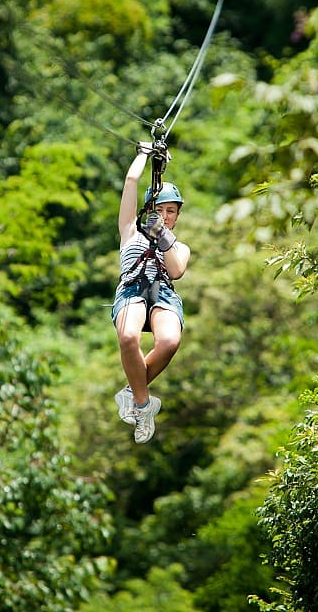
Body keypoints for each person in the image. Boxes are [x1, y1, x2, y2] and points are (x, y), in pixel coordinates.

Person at [110, 142, 191, 443]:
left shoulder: (180, 246)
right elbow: (131, 181)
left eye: (171, 211)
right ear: (148, 211)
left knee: (169, 341)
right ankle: (143, 405)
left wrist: (163, 237)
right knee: (128, 337)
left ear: (177, 217)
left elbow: (176, 271)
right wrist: (143, 155)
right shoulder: (130, 231)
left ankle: (131, 392)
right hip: (132, 289)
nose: (165, 215)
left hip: (163, 293)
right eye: (159, 210)